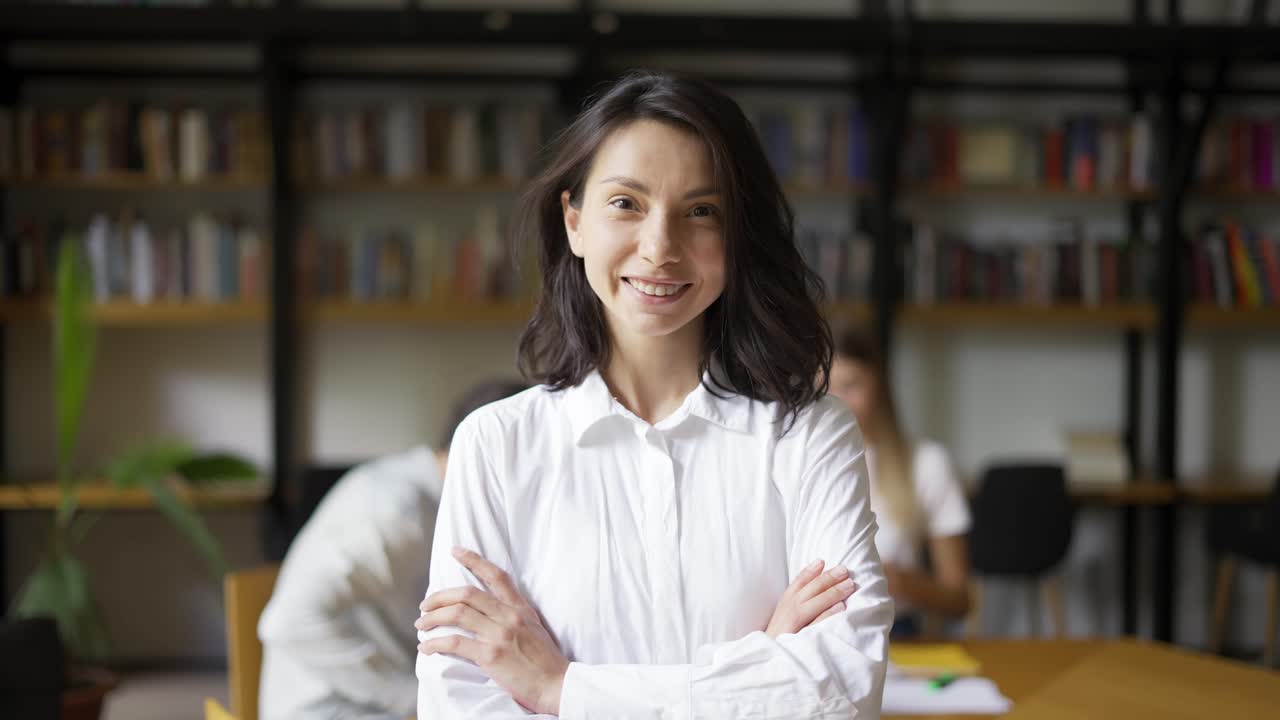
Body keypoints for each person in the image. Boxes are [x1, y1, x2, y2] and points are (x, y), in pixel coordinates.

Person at [413, 71, 893, 719]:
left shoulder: (810, 432)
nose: (660, 247)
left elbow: (841, 693)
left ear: (738, 236)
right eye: (626, 203)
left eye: (701, 211)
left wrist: (562, 690)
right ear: (574, 222)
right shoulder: (496, 445)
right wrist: (762, 666)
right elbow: (462, 709)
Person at [257, 380, 529, 720]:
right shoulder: (396, 512)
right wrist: (411, 698)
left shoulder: (423, 493)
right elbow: (287, 622)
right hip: (332, 708)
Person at [827, 324, 971, 636]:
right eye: (823, 386)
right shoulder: (791, 464)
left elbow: (959, 599)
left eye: (851, 385)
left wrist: (899, 580)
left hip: (895, 633)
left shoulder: (926, 463)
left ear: (879, 385)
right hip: (811, 633)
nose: (835, 402)